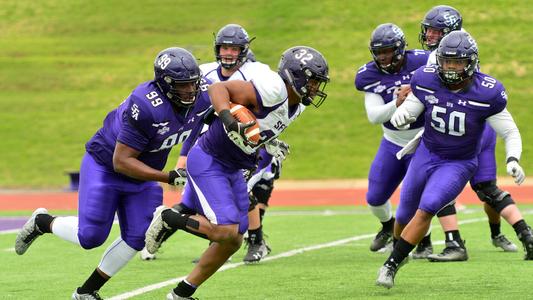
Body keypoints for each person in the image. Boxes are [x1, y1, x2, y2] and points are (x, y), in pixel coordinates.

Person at [14, 47, 212, 299]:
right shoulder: (147, 105)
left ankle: (87, 291)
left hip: (143, 174)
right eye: (182, 85)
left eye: (193, 84)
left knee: (138, 236)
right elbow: (122, 161)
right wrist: (168, 177)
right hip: (106, 167)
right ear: (165, 84)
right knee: (90, 236)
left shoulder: (205, 94)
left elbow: (209, 117)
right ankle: (44, 222)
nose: (190, 91)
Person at [144, 45, 329, 299]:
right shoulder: (274, 89)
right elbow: (218, 89)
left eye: (318, 83)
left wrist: (269, 141)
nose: (315, 88)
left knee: (234, 239)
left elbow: (259, 125)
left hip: (235, 166)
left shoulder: (298, 105)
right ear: (295, 76)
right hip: (210, 159)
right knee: (225, 231)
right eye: (313, 81)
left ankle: (182, 293)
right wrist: (228, 119)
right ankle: (168, 217)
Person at [376, 31, 532, 289]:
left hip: (458, 162)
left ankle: (390, 265)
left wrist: (513, 158)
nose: (450, 67)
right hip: (427, 152)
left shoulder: (487, 93)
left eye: (457, 62)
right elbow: (414, 104)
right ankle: (400, 250)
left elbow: (510, 131)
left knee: (428, 206)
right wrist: (403, 114)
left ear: (470, 62)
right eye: (447, 61)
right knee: (404, 212)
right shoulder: (426, 78)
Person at [417, 5, 520, 261]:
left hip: (463, 131)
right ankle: (514, 234)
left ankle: (453, 242)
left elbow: (448, 89)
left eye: (436, 31)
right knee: (485, 188)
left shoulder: (448, 55)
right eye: (428, 30)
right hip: (471, 126)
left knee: (450, 185)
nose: (430, 35)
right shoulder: (458, 49)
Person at [354, 23, 432, 255]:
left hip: (422, 140)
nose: (383, 56)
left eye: (387, 51)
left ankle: (425, 243)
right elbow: (374, 115)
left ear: (399, 48)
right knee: (375, 197)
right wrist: (396, 103)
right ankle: (388, 227)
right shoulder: (369, 75)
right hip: (392, 140)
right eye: (378, 52)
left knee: (414, 197)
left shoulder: (422, 61)